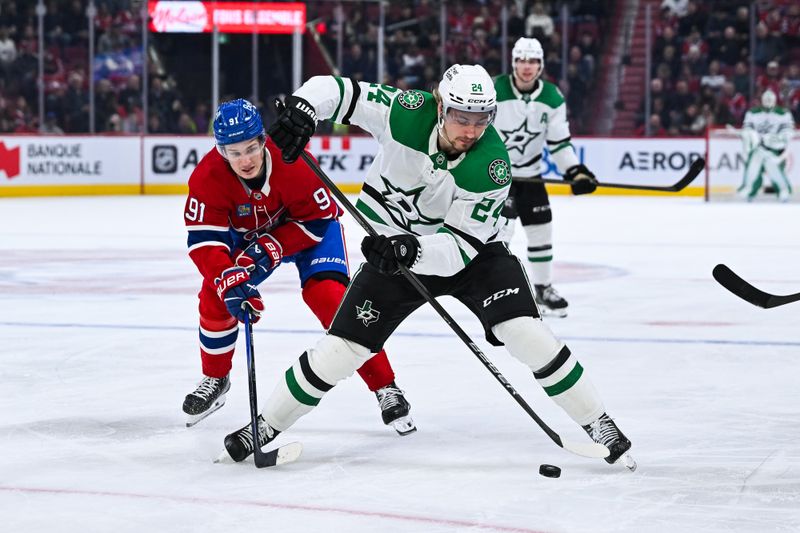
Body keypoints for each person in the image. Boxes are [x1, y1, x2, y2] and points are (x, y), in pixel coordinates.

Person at [220, 66, 634, 470]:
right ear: (440, 105)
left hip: (473, 257)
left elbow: (460, 249)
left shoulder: (491, 164)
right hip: (392, 255)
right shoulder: (405, 111)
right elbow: (335, 88)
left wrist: (411, 249)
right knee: (341, 350)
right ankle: (265, 425)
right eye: (461, 117)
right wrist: (305, 108)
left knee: (524, 332)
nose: (471, 130)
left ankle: (600, 422)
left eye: (481, 120)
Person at [181, 98, 416, 436]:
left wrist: (274, 245)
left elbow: (319, 219)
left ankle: (385, 386)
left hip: (310, 233)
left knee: (331, 299)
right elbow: (205, 242)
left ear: (263, 140)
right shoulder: (207, 177)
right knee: (216, 294)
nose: (245, 160)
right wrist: (228, 279)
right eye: (234, 152)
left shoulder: (293, 160)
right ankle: (216, 378)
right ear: (221, 151)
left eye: (251, 148)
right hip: (249, 240)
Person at [493, 38, 599, 317]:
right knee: (499, 236)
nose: (527, 67)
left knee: (542, 232)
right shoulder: (494, 90)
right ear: (513, 62)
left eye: (533, 61)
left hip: (532, 177)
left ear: (540, 65)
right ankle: (492, 290)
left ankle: (543, 289)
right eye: (522, 60)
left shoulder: (552, 97)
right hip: (498, 179)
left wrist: (575, 171)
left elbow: (560, 143)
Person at [737, 89, 795, 202]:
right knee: (753, 165)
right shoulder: (752, 113)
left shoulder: (784, 113)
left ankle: (783, 190)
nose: (768, 101)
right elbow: (747, 129)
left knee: (774, 167)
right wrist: (752, 137)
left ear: (774, 100)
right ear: (762, 100)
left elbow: (788, 132)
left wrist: (775, 139)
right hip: (757, 146)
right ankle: (750, 189)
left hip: (775, 148)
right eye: (766, 99)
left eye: (770, 99)